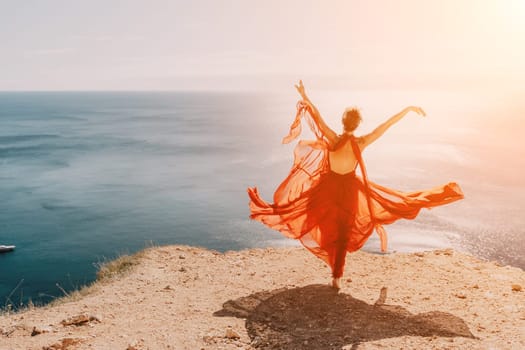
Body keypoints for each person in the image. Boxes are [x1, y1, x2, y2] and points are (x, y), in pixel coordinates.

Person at [247, 80, 464, 290]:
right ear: (357, 124)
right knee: (343, 233)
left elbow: (317, 117)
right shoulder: (361, 142)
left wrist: (304, 96)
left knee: (321, 224)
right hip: (349, 191)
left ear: (343, 122)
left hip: (327, 190)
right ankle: (336, 277)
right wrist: (407, 109)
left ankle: (332, 268)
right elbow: (385, 126)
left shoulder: (332, 139)